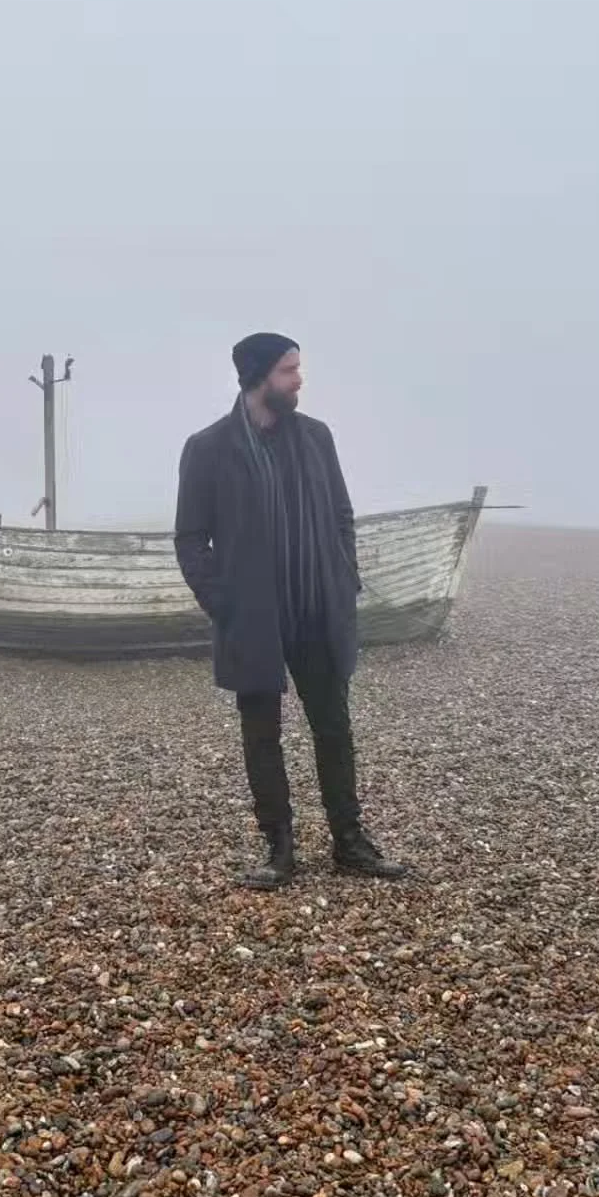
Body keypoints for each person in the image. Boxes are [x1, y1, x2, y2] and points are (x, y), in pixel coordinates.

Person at [173, 332, 415, 890]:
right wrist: (225, 605)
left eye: (298, 369)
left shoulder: (316, 438)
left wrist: (343, 578)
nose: (299, 379)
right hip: (254, 619)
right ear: (260, 376)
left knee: (333, 728)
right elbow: (191, 540)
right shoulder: (208, 448)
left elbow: (341, 516)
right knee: (262, 736)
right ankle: (278, 850)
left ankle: (350, 844)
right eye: (289, 370)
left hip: (316, 609)